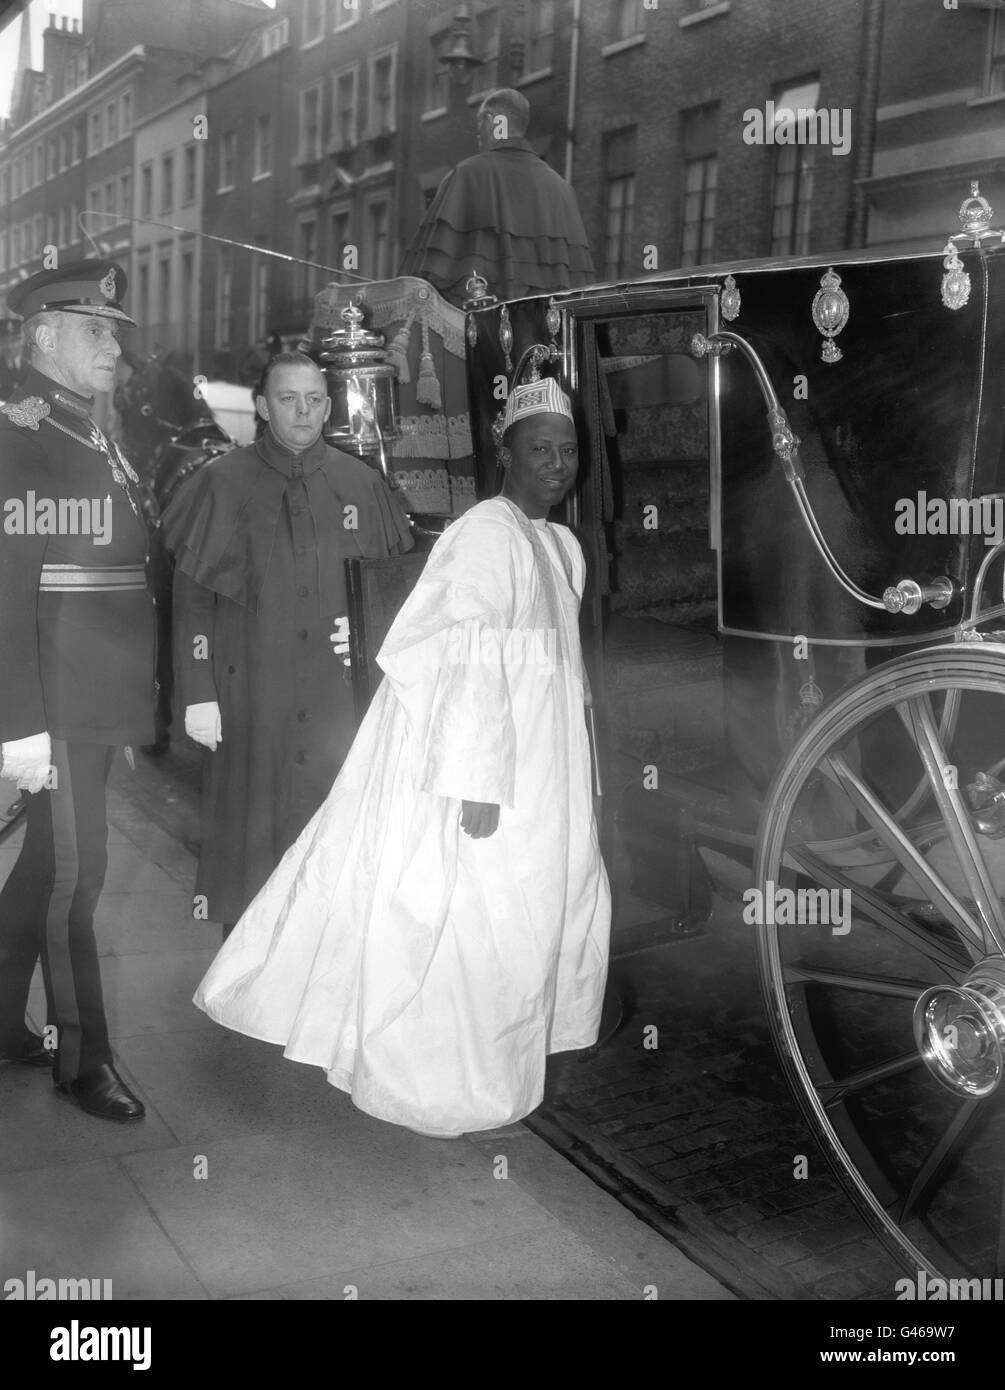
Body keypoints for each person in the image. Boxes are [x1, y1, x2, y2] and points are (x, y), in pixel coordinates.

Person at [193, 376, 611, 1139]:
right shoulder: (486, 531)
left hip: (543, 763)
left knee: (530, 914)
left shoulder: (560, 546)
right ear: (505, 453)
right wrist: (474, 778)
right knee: (463, 916)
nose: (555, 463)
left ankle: (499, 1074)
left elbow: (564, 673)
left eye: (566, 449)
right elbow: (459, 657)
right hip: (476, 763)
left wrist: (583, 773)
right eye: (538, 449)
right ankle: (436, 1087)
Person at [161, 352, 414, 939]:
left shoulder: (362, 483)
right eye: (287, 399)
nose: (303, 412)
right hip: (251, 691)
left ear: (329, 405)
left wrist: (371, 630)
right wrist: (198, 693)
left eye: (315, 399)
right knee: (252, 837)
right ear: (261, 406)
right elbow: (193, 601)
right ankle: (249, 973)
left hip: (339, 700)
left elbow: (395, 590)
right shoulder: (219, 484)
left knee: (337, 838)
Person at [0, 258, 155, 1122]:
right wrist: (19, 727)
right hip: (54, 697)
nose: (115, 348)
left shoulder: (82, 426)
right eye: (98, 331)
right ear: (45, 337)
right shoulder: (20, 431)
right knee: (76, 879)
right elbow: (8, 584)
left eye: (116, 331)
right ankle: (79, 1058)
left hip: (92, 689)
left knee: (50, 868)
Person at [399, 88, 596, 306]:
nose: (478, 134)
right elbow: (579, 289)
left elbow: (425, 281)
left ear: (493, 121)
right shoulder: (563, 190)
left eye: (479, 125)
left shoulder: (467, 175)